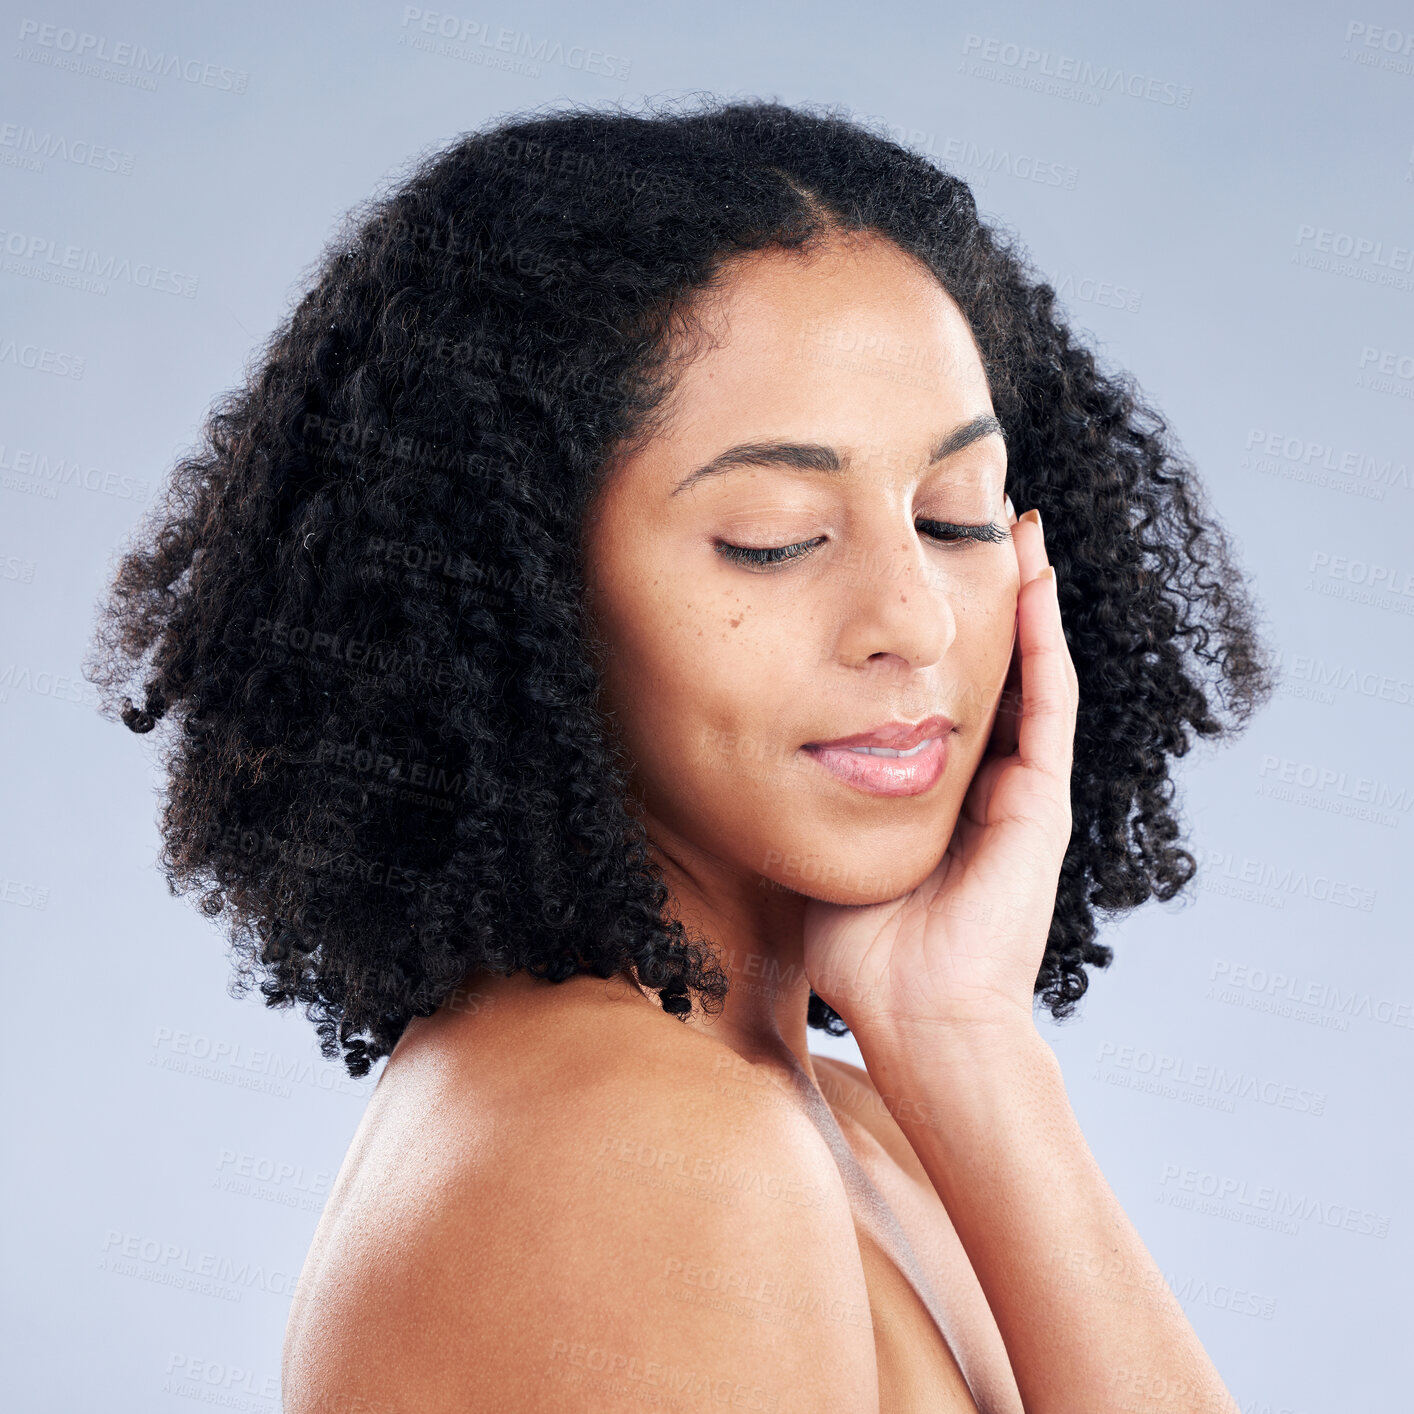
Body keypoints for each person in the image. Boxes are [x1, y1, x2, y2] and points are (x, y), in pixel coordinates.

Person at [88, 96, 1273, 1412]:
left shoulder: (834, 1116)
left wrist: (966, 1038)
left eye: (952, 514)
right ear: (524, 592)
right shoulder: (645, 1147)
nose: (911, 619)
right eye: (771, 535)